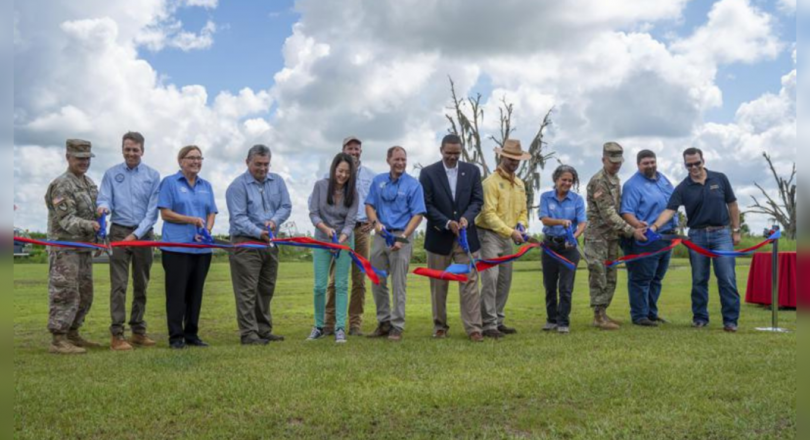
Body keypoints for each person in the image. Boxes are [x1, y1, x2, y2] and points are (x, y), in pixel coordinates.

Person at [650, 147, 742, 332]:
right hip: (697, 236)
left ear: (703, 160)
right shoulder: (683, 187)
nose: (693, 167)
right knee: (699, 279)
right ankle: (700, 318)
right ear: (685, 165)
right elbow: (670, 210)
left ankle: (730, 321)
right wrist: (654, 227)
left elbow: (732, 204)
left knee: (727, 278)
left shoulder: (720, 178)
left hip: (721, 234)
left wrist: (736, 230)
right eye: (689, 164)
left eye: (696, 163)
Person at [96, 132, 160, 351]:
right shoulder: (111, 174)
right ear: (122, 149)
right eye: (127, 149)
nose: (131, 153)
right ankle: (117, 335)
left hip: (143, 234)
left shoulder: (153, 175)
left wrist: (136, 235)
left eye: (135, 149)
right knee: (119, 285)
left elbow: (152, 212)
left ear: (142, 150)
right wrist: (103, 206)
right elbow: (104, 197)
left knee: (141, 284)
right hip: (118, 231)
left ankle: (138, 331)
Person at [419, 134, 485, 342]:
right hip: (439, 238)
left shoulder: (473, 171)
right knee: (439, 285)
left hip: (467, 237)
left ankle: (474, 328)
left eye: (456, 153)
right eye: (448, 153)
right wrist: (447, 223)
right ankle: (440, 326)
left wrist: (466, 218)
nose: (452, 157)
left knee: (470, 283)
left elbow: (477, 201)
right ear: (441, 150)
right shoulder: (428, 173)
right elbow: (426, 205)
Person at [226, 144, 291, 345]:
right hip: (246, 243)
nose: (262, 168)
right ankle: (248, 333)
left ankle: (263, 329)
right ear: (247, 162)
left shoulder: (278, 181)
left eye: (266, 164)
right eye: (258, 164)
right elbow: (238, 218)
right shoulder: (237, 186)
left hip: (269, 243)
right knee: (247, 290)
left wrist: (274, 221)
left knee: (266, 288)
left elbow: (286, 206)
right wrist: (258, 232)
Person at [44, 139, 102, 354]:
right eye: (79, 158)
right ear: (68, 157)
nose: (84, 162)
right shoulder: (62, 184)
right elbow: (66, 219)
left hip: (84, 249)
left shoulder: (89, 183)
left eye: (87, 158)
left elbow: (95, 213)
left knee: (85, 294)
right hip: (65, 249)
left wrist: (97, 235)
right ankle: (58, 339)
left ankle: (73, 334)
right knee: (65, 292)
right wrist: (92, 225)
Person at [158, 145, 218, 349]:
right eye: (191, 157)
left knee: (195, 293)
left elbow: (211, 212)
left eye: (200, 158)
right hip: (176, 248)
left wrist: (206, 231)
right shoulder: (169, 183)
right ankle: (176, 337)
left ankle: (192, 334)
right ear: (180, 160)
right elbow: (165, 213)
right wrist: (191, 220)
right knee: (177, 294)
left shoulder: (206, 185)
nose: (196, 161)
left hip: (201, 250)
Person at [583, 142, 648, 330]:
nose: (616, 165)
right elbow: (608, 214)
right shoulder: (599, 181)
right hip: (597, 238)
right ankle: (598, 316)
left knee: (611, 276)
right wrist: (631, 230)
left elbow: (618, 210)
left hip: (611, 237)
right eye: (612, 162)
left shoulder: (615, 179)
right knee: (599, 275)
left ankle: (603, 313)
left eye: (619, 162)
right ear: (603, 159)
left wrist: (635, 223)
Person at [365, 146, 426, 342]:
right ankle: (383, 322)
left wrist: (403, 238)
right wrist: (375, 223)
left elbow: (418, 214)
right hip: (381, 236)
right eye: (396, 159)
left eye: (403, 159)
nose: (400, 163)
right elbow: (369, 205)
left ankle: (397, 326)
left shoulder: (413, 185)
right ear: (388, 160)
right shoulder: (378, 181)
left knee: (398, 283)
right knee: (377, 280)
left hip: (402, 235)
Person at [474, 139, 530, 338]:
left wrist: (521, 226)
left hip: (508, 236)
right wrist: (511, 231)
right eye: (511, 158)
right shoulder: (490, 182)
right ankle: (487, 324)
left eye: (517, 158)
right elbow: (488, 214)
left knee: (505, 280)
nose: (514, 161)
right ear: (502, 156)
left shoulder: (520, 184)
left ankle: (498, 319)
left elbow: (523, 210)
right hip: (489, 235)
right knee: (490, 278)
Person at [323, 136, 375, 336]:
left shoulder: (370, 175)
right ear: (343, 150)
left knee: (359, 279)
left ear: (361, 151)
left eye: (357, 148)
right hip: (340, 231)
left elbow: (374, 202)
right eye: (350, 148)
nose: (354, 152)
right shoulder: (333, 175)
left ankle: (355, 324)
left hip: (361, 230)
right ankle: (329, 322)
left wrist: (372, 222)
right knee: (336, 278)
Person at [620, 150, 677, 327]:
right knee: (641, 278)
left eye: (652, 162)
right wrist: (637, 226)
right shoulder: (632, 185)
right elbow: (626, 212)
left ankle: (652, 313)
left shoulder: (663, 179)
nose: (650, 165)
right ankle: (639, 316)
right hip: (646, 238)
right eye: (646, 163)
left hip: (666, 236)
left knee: (657, 278)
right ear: (638, 165)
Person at [307, 153, 359, 343]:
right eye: (340, 171)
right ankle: (318, 326)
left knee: (341, 285)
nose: (343, 175)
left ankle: (339, 328)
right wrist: (326, 230)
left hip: (343, 241)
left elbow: (351, 221)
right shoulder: (320, 186)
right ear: (333, 170)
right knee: (320, 286)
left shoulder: (353, 193)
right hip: (322, 239)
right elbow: (313, 213)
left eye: (347, 172)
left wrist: (341, 239)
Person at [538, 165, 586, 334]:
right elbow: (544, 219)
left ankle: (563, 321)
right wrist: (561, 222)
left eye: (570, 181)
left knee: (566, 287)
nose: (567, 183)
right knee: (549, 285)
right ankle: (551, 319)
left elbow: (582, 223)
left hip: (569, 248)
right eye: (563, 180)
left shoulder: (577, 200)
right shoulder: (545, 197)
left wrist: (574, 236)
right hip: (550, 246)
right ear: (556, 180)